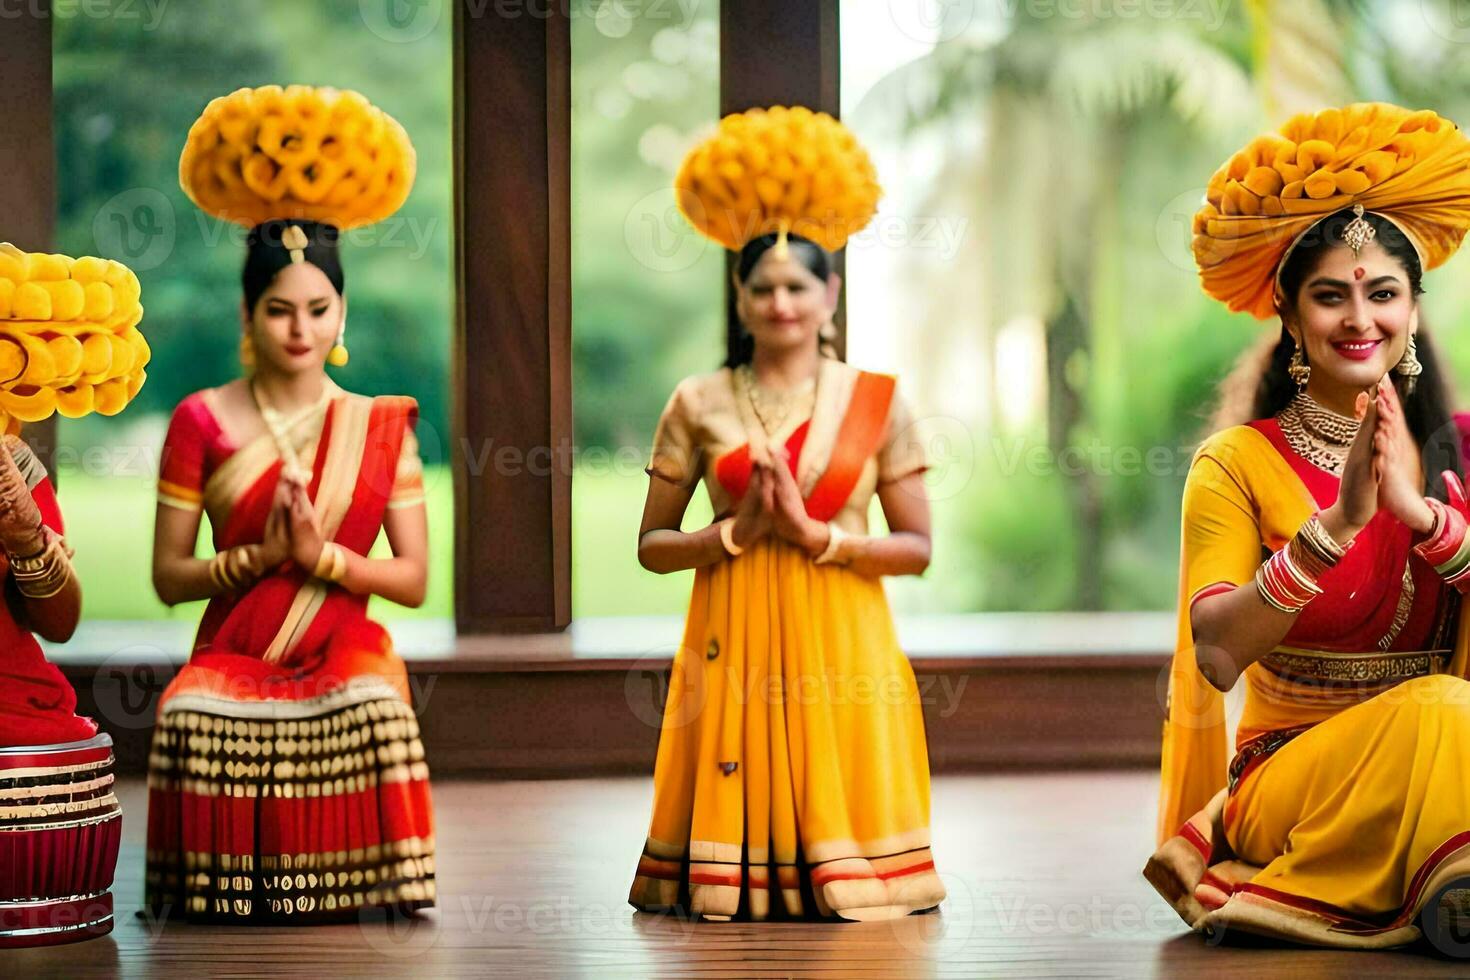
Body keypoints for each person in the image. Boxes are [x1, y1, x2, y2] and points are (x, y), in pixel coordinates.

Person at [1146, 102, 1470, 948]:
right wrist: (1334, 529)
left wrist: (1420, 517)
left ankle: (1442, 875)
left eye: (1383, 293)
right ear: (1291, 317)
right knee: (1443, 707)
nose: (1360, 318)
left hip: (1451, 752)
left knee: (1450, 715)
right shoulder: (1235, 464)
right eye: (1331, 296)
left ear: (1413, 310)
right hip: (1291, 775)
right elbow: (1214, 656)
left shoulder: (1457, 452)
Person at [627, 106, 946, 922]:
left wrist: (818, 538)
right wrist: (735, 531)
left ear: (829, 293)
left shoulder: (876, 401)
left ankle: (843, 869)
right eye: (761, 288)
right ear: (737, 296)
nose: (780, 304)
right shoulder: (697, 402)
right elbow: (653, 546)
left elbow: (916, 548)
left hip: (843, 633)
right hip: (731, 634)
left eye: (798, 286)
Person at [144, 85, 433, 923]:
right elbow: (167, 578)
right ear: (247, 312)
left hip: (343, 640)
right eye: (279, 310)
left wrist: (322, 561)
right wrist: (262, 560)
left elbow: (412, 581)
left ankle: (367, 888)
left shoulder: (380, 424)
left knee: (374, 703)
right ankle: (221, 893)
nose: (299, 329)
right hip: (237, 644)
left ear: (342, 312)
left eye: (317, 309)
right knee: (192, 709)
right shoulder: (202, 418)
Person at [0, 243, 151, 946]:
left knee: (56, 740)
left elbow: (59, 624)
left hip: (14, 692)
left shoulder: (13, 461)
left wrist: (29, 537)